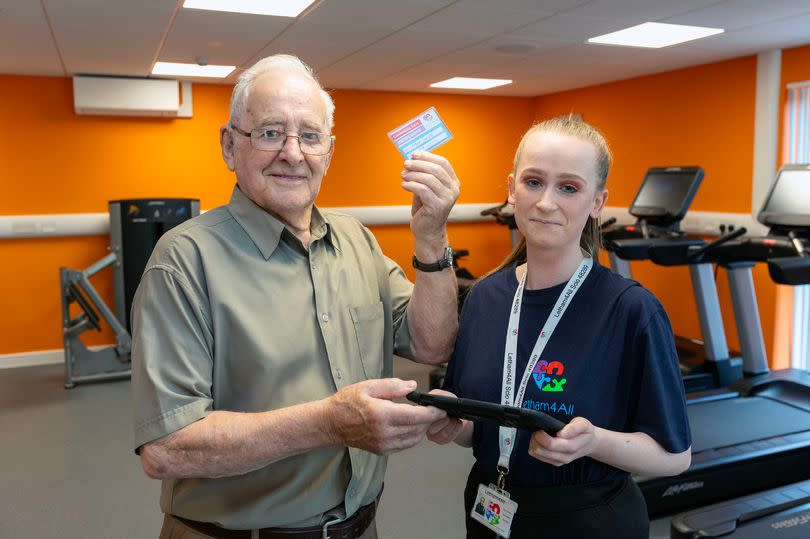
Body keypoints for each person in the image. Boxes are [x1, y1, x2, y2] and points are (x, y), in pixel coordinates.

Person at [131, 54, 460, 538]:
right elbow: (167, 448)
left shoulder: (357, 241)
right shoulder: (183, 261)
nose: (292, 152)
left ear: (328, 149)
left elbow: (431, 345)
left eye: (309, 135)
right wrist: (330, 422)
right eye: (269, 132)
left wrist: (431, 238)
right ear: (229, 146)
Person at [427, 116, 692, 538]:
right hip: (489, 510)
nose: (546, 202)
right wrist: (452, 424)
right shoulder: (484, 298)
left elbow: (675, 456)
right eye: (533, 182)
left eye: (569, 187)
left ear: (598, 202)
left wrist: (595, 442)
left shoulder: (632, 311)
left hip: (588, 519)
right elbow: (479, 423)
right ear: (511, 188)